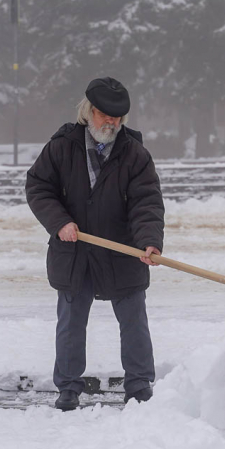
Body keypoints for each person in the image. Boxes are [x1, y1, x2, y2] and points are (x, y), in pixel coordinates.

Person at [25, 77, 164, 411]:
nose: (111, 122)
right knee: (71, 321)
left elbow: (147, 202)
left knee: (133, 320)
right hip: (74, 252)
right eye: (105, 115)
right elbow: (38, 186)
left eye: (117, 117)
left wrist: (149, 242)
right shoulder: (61, 146)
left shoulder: (134, 153)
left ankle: (139, 384)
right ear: (89, 112)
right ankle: (69, 388)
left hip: (123, 252)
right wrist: (60, 223)